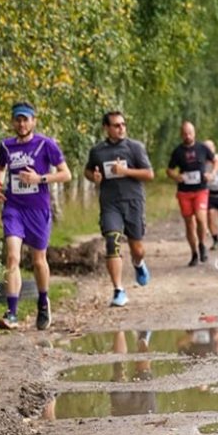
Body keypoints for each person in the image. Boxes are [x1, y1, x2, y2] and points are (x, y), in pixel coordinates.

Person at [0, 102, 72, 330]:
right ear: (13, 122)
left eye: (26, 119)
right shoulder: (6, 146)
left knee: (38, 261)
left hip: (38, 210)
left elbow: (66, 174)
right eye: (18, 119)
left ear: (33, 121)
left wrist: (40, 179)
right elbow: (0, 168)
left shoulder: (46, 144)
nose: (21, 123)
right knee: (12, 258)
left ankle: (43, 302)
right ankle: (12, 313)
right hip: (14, 208)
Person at [84, 110, 154, 307]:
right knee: (112, 241)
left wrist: (125, 171)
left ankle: (138, 264)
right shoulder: (98, 151)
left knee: (137, 249)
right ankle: (118, 290)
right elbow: (88, 170)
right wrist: (93, 177)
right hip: (110, 203)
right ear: (106, 128)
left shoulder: (135, 148)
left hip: (133, 202)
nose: (121, 128)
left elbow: (149, 174)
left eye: (123, 124)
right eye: (116, 125)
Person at [167, 121, 215, 266]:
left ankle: (202, 244)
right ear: (181, 134)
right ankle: (194, 253)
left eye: (190, 133)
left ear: (194, 133)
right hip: (184, 192)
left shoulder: (202, 148)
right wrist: (176, 177)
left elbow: (215, 161)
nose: (188, 136)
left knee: (201, 219)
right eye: (185, 133)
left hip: (200, 189)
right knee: (189, 224)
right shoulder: (177, 151)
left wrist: (211, 174)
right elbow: (169, 170)